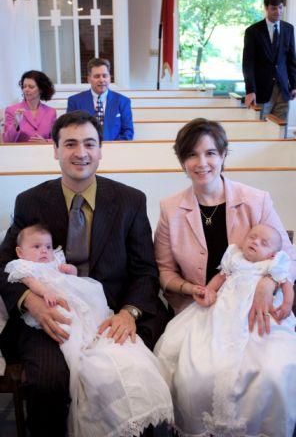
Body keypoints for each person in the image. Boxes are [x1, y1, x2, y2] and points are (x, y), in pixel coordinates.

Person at [0, 110, 169, 437]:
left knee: (129, 377)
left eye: (90, 144)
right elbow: (4, 262)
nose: (81, 153)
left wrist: (129, 312)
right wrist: (30, 301)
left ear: (101, 150)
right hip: (52, 315)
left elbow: (145, 271)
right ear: (55, 149)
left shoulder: (130, 200)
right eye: (71, 144)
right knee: (49, 382)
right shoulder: (30, 201)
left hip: (110, 314)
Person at [154, 117, 296, 435]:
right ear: (181, 161)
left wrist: (267, 283)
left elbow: (290, 258)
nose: (201, 163)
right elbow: (163, 270)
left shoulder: (256, 200)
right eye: (191, 155)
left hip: (256, 310)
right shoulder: (170, 209)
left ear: (223, 155)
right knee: (196, 377)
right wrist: (192, 288)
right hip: (202, 311)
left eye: (210, 153)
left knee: (272, 372)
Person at [5, 224, 173, 437]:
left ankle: (134, 421)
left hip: (84, 299)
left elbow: (145, 271)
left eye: (47, 246)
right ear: (20, 252)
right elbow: (24, 280)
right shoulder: (24, 266)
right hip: (51, 308)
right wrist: (35, 296)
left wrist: (70, 271)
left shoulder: (131, 200)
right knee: (50, 377)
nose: (44, 251)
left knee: (129, 359)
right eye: (37, 246)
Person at [155, 223, 296, 436]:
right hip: (222, 310)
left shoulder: (274, 264)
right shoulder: (234, 256)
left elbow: (286, 285)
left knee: (262, 360)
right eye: (252, 237)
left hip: (255, 315)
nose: (255, 242)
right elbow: (221, 278)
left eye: (263, 242)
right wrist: (209, 291)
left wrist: (286, 305)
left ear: (272, 253)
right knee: (188, 348)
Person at [242, 0, 296, 123]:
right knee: (260, 127)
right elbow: (248, 64)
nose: (278, 11)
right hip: (261, 90)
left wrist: (294, 85)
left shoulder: (289, 29)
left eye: (280, 7)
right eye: (274, 8)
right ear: (266, 8)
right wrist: (250, 90)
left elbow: (291, 60)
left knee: (279, 128)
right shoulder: (253, 31)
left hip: (283, 90)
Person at [67, 58, 134, 141]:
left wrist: (114, 148)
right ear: (89, 79)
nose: (102, 80)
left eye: (105, 76)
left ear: (109, 77)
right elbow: (70, 131)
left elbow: (128, 132)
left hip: (115, 150)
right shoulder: (75, 101)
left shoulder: (123, 101)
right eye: (97, 76)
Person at [3, 70, 56, 143]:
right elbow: (7, 141)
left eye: (31, 87)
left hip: (43, 152)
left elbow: (56, 140)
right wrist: (16, 124)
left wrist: (46, 142)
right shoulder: (12, 110)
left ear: (41, 89)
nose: (26, 90)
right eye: (24, 86)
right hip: (20, 153)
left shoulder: (51, 112)